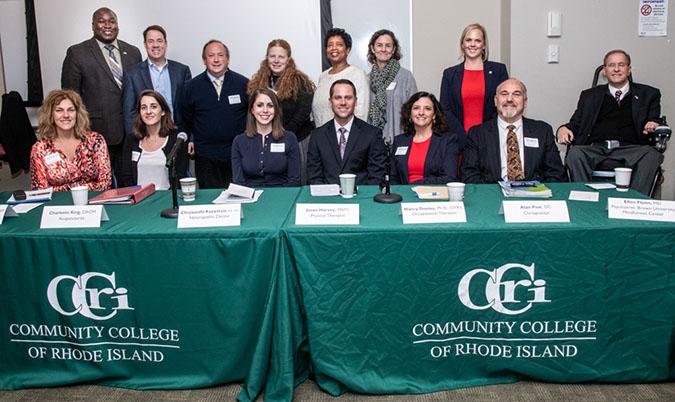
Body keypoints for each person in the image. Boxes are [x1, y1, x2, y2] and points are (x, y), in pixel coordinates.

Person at [557, 49, 662, 195]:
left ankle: (635, 201)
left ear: (629, 69)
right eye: (611, 65)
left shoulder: (649, 94)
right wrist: (563, 128)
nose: (616, 69)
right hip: (596, 148)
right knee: (575, 153)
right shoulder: (589, 96)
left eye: (621, 65)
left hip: (632, 149)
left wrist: (653, 124)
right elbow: (576, 123)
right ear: (605, 71)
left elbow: (654, 120)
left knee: (651, 155)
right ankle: (584, 200)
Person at [61, 7, 142, 178]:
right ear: (93, 25)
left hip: (131, 133)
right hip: (96, 132)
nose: (107, 25)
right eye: (101, 21)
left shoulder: (133, 52)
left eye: (112, 21)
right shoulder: (77, 53)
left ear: (117, 25)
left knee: (131, 183)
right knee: (101, 185)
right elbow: (70, 97)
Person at [463, 79, 565, 183]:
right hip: (493, 191)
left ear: (525, 102)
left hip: (534, 191)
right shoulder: (477, 134)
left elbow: (556, 173)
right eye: (504, 94)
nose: (509, 99)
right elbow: (469, 175)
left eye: (516, 94)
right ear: (496, 101)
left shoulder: (542, 131)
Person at [182, 39, 249, 189]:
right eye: (211, 55)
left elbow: (252, 115)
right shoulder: (191, 87)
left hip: (237, 153)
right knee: (209, 197)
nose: (216, 60)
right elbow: (185, 117)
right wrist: (191, 138)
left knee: (239, 195)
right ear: (204, 60)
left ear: (228, 59)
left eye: (220, 55)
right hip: (205, 156)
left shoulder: (243, 84)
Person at [247, 39, 315, 182]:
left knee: (297, 180)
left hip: (297, 139)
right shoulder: (259, 82)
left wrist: (282, 136)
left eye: (281, 57)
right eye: (272, 56)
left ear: (288, 59)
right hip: (266, 141)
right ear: (267, 58)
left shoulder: (300, 81)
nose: (276, 60)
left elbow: (302, 114)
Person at [440, 23, 508, 147]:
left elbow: (504, 104)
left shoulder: (499, 71)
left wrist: (484, 134)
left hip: (490, 139)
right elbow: (445, 109)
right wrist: (463, 137)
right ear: (462, 44)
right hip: (459, 140)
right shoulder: (450, 74)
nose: (472, 44)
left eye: (477, 40)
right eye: (468, 40)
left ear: (484, 45)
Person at [30, 90, 112, 191]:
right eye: (59, 110)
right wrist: (83, 188)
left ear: (77, 113)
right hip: (58, 201)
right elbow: (40, 191)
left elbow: (105, 184)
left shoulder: (95, 141)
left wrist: (59, 189)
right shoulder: (40, 149)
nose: (66, 115)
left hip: (94, 200)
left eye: (71, 110)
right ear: (50, 115)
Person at [307, 79, 385, 185]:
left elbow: (376, 177)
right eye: (337, 98)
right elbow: (314, 176)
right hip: (327, 194)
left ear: (355, 101)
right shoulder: (317, 136)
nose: (343, 102)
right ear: (330, 102)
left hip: (361, 194)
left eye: (348, 98)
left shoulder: (372, 134)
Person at [122, 25, 192, 136]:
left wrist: (191, 137)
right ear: (145, 44)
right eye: (151, 41)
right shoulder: (132, 74)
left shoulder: (182, 71)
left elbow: (190, 108)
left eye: (159, 41)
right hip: (146, 137)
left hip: (177, 134)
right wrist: (134, 140)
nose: (155, 45)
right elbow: (129, 113)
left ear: (165, 43)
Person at [118, 90, 188, 189]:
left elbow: (180, 175)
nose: (148, 112)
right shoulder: (131, 140)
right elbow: (126, 177)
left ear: (163, 111)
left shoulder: (176, 139)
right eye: (143, 108)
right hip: (138, 197)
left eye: (153, 107)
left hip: (167, 197)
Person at [231, 88, 300, 187]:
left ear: (276, 110)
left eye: (270, 106)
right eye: (260, 105)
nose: (265, 110)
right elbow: (238, 182)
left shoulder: (289, 138)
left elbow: (294, 180)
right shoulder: (239, 141)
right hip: (250, 194)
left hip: (282, 193)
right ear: (252, 110)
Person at [390, 92, 458, 184]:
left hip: (433, 192)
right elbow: (393, 177)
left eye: (427, 109)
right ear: (410, 114)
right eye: (416, 108)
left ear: (434, 115)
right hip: (403, 192)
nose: (421, 113)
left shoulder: (448, 141)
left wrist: (416, 185)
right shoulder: (399, 141)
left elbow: (449, 177)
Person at [367, 29, 418, 144]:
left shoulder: (406, 77)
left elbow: (415, 110)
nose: (383, 49)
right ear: (372, 49)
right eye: (379, 45)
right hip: (374, 142)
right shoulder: (366, 79)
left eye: (388, 45)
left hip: (401, 139)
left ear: (394, 49)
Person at [312, 28, 370, 127]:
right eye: (330, 45)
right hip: (322, 134)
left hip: (346, 135)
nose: (334, 48)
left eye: (339, 44)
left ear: (348, 50)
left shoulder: (357, 74)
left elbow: (361, 113)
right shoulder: (323, 76)